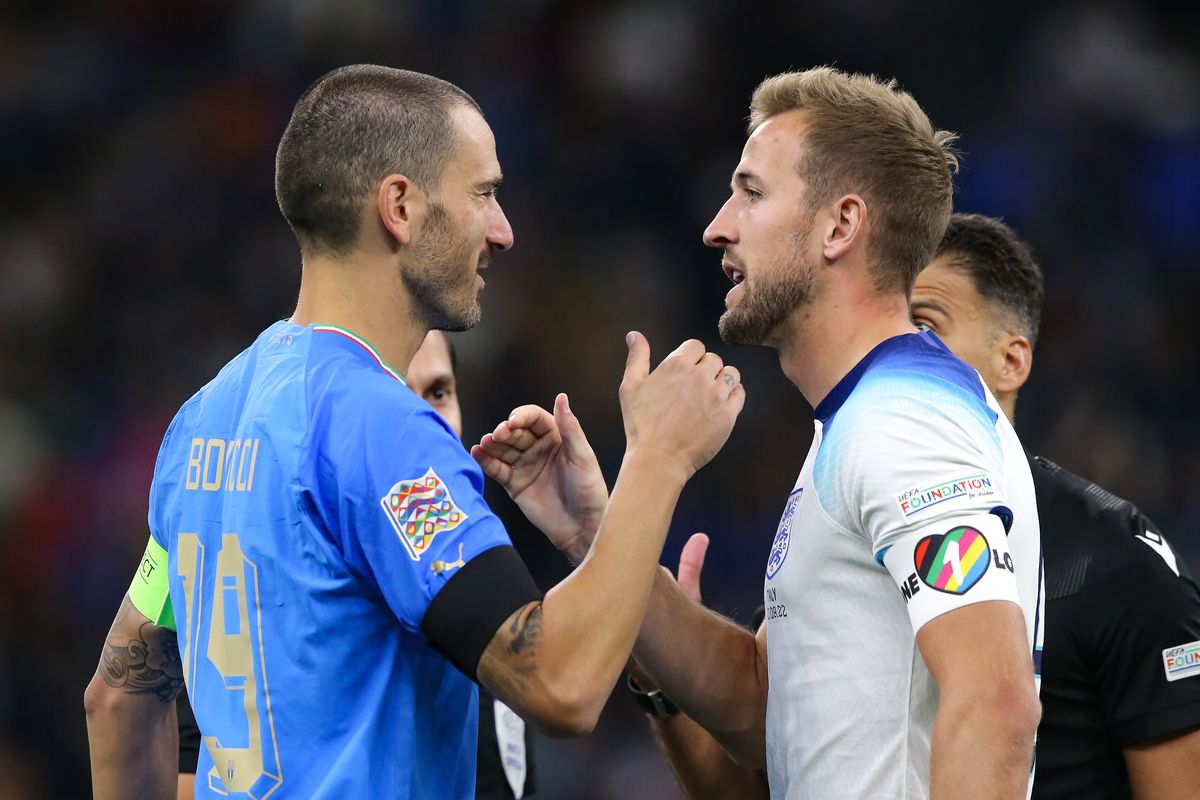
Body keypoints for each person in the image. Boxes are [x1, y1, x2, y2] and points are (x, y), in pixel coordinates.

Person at [83, 65, 745, 800]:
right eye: (484, 194)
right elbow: (562, 686)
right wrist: (658, 456)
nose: (503, 231)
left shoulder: (202, 421)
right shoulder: (380, 426)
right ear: (399, 206)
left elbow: (117, 696)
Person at [475, 68, 1043, 798]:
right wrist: (601, 533)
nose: (717, 225)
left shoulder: (904, 423)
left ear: (841, 225)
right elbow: (758, 709)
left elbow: (995, 701)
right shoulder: (860, 418)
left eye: (751, 192)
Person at [627, 213, 1200, 799]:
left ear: (1012, 361)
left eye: (923, 323)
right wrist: (658, 653)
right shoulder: (839, 521)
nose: (899, 345)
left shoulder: (1115, 561)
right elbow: (755, 779)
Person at [170, 331, 542, 799]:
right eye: (397, 397)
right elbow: (564, 690)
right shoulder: (261, 606)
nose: (424, 420)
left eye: (440, 393)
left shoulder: (478, 590)